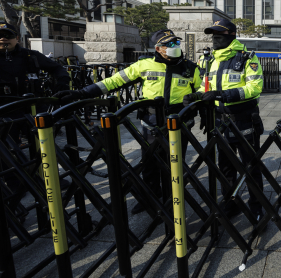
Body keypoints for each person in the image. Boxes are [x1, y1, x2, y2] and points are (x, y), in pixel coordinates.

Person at [54, 28, 202, 214]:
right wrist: (82, 93)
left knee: (174, 162)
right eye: (169, 44)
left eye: (176, 43)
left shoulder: (191, 68)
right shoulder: (144, 65)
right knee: (149, 161)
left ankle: (173, 199)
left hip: (179, 120)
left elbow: (202, 89)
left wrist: (197, 101)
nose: (174, 47)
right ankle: (150, 198)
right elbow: (113, 81)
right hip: (151, 120)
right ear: (158, 48)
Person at [183, 19, 265, 221]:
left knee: (251, 167)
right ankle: (231, 204)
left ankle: (257, 207)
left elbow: (255, 88)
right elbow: (206, 86)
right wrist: (196, 95)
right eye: (213, 35)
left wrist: (223, 95)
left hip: (244, 119)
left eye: (219, 35)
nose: (214, 39)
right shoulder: (208, 60)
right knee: (226, 168)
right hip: (220, 121)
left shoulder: (248, 58)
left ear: (231, 36)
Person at [0, 23, 71, 212]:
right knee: (7, 149)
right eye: (0, 36)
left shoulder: (29, 56)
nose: (3, 39)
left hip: (33, 107)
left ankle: (49, 178)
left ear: (17, 38)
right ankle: (15, 184)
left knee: (42, 144)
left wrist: (62, 85)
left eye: (7, 35)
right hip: (5, 111)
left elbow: (58, 69)